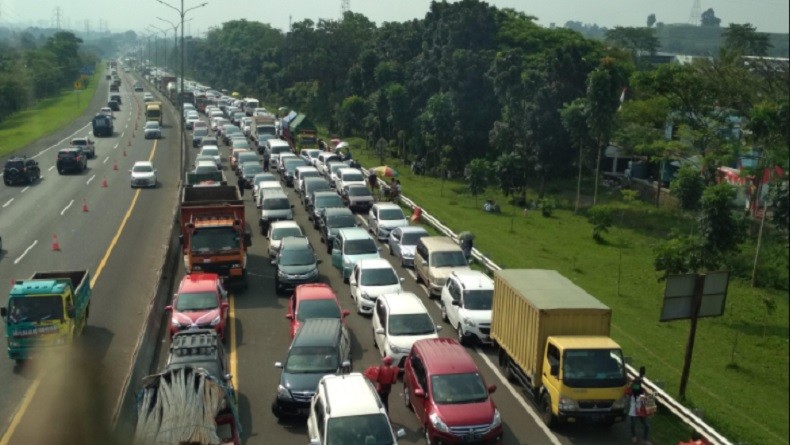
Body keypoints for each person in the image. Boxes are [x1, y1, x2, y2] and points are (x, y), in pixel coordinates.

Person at [628, 366, 650, 444]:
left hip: (641, 409)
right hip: (635, 408)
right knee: (633, 423)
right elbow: (631, 391)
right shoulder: (636, 384)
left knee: (646, 425)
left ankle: (644, 439)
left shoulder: (641, 385)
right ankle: (634, 436)